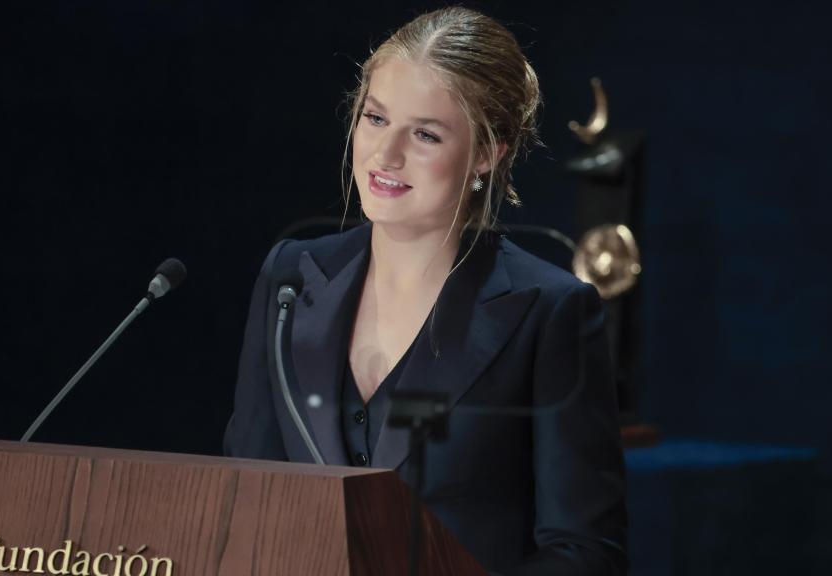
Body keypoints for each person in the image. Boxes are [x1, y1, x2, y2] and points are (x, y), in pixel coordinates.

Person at [224, 7, 627, 575]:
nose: (385, 157)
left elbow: (585, 553)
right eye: (375, 119)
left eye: (425, 134)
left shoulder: (549, 311)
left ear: (488, 152)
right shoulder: (289, 275)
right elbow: (245, 495)